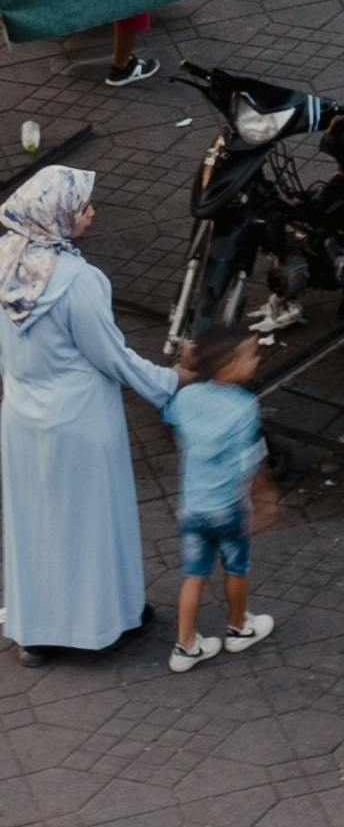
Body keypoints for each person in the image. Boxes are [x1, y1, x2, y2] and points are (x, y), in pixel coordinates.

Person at [0, 165, 174, 659]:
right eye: (81, 208)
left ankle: (36, 632)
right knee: (95, 520)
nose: (91, 212)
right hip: (79, 416)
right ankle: (107, 620)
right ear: (55, 217)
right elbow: (112, 356)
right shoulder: (78, 280)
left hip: (21, 415)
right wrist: (168, 384)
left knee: (34, 522)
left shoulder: (2, 262)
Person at [162, 323, 276, 679]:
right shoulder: (244, 407)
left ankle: (185, 646)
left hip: (191, 507)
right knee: (235, 569)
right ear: (229, 365)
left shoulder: (186, 398)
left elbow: (168, 415)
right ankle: (238, 627)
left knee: (193, 575)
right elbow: (251, 460)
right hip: (229, 506)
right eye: (250, 356)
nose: (255, 360)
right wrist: (265, 496)